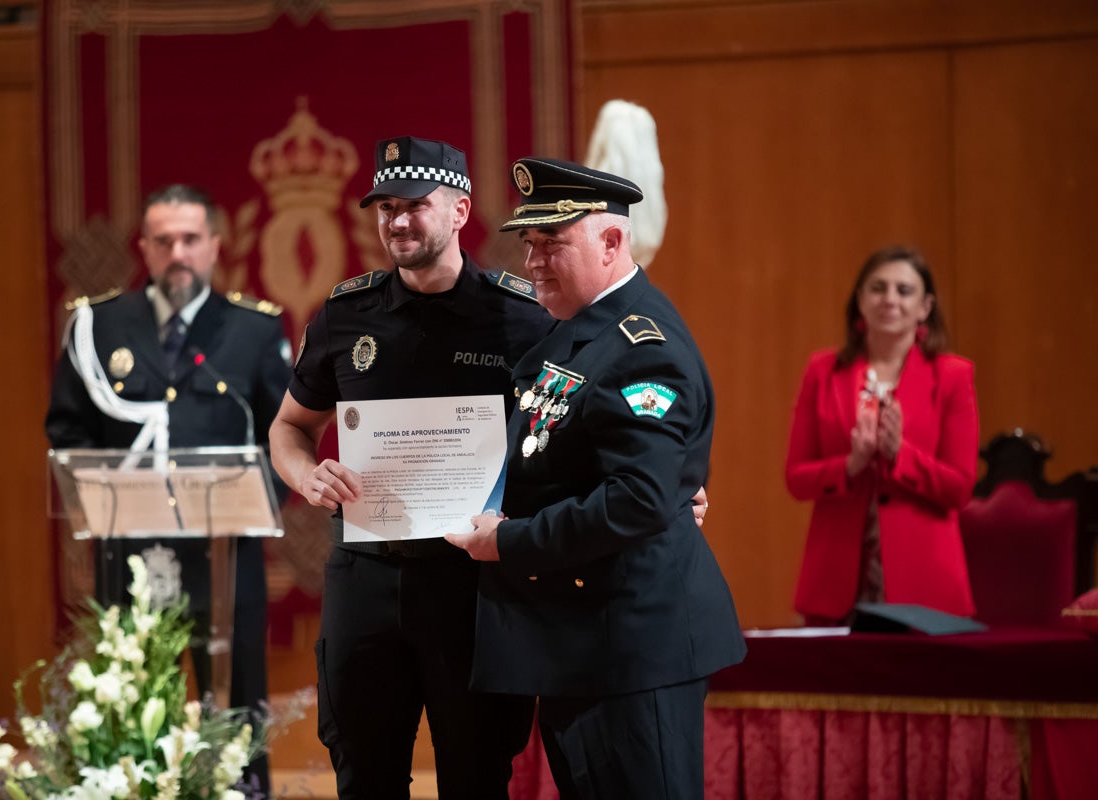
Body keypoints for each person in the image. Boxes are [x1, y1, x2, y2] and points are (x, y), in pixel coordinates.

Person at [446, 157, 746, 800]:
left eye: (552, 244)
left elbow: (636, 499)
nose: (531, 262)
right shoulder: (575, 334)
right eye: (528, 243)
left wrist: (510, 540)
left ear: (612, 242)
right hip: (582, 644)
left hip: (632, 647)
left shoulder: (644, 347)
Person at [268, 136, 556, 800]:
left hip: (473, 583)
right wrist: (306, 474)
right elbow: (288, 427)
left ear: (459, 211)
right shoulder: (347, 315)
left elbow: (567, 433)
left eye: (415, 206)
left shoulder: (521, 317)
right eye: (386, 207)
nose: (398, 221)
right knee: (364, 773)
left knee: (477, 772)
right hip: (368, 576)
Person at [45, 183, 292, 794]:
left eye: (189, 239)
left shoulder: (253, 329)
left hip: (225, 553)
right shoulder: (98, 325)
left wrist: (252, 507)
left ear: (214, 244)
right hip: (129, 552)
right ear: (145, 249)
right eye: (163, 241)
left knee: (235, 706)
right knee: (133, 700)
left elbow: (285, 437)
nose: (177, 252)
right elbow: (65, 429)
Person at [784, 245, 978, 625]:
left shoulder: (953, 376)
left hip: (924, 584)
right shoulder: (822, 371)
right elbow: (796, 478)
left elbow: (960, 488)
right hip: (836, 583)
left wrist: (900, 455)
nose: (890, 299)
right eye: (878, 288)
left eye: (904, 291)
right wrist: (851, 464)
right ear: (860, 300)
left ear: (925, 308)